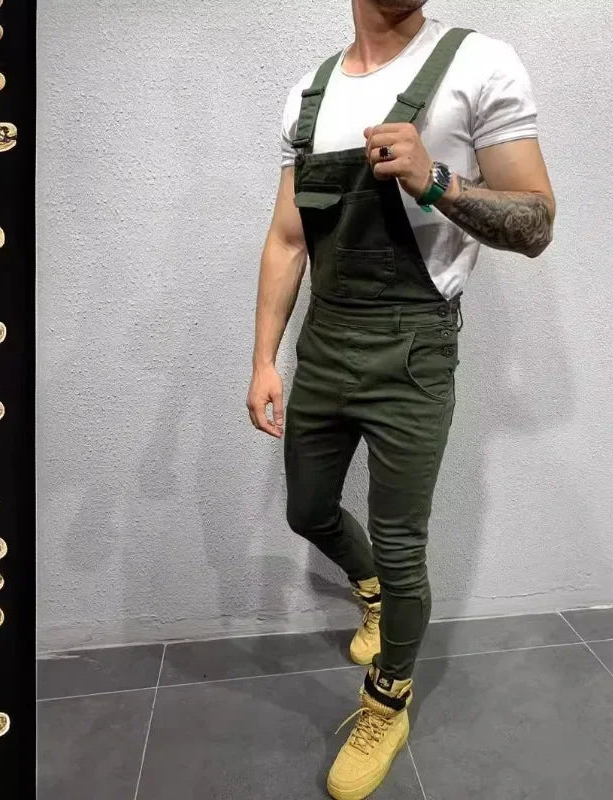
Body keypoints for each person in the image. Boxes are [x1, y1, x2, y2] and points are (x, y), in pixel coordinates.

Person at [246, 1, 555, 797]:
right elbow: (288, 238)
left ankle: (388, 702)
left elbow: (536, 222)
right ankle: (371, 591)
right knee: (307, 510)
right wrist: (264, 359)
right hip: (326, 341)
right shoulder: (308, 95)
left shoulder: (480, 64)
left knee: (401, 541)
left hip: (415, 349)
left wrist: (435, 179)